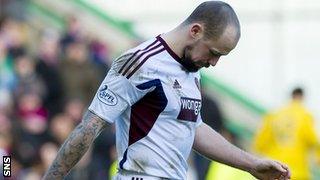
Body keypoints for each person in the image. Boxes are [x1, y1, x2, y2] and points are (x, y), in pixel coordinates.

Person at [44, 1, 291, 179]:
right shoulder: (141, 62)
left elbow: (193, 129)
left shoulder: (191, 69)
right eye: (214, 53)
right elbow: (89, 127)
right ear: (195, 31)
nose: (214, 63)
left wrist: (252, 164)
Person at [253, 87, 320, 179]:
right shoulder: (305, 115)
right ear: (302, 97)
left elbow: (260, 144)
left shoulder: (274, 114)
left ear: (291, 96)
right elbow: (313, 141)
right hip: (298, 172)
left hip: (275, 170)